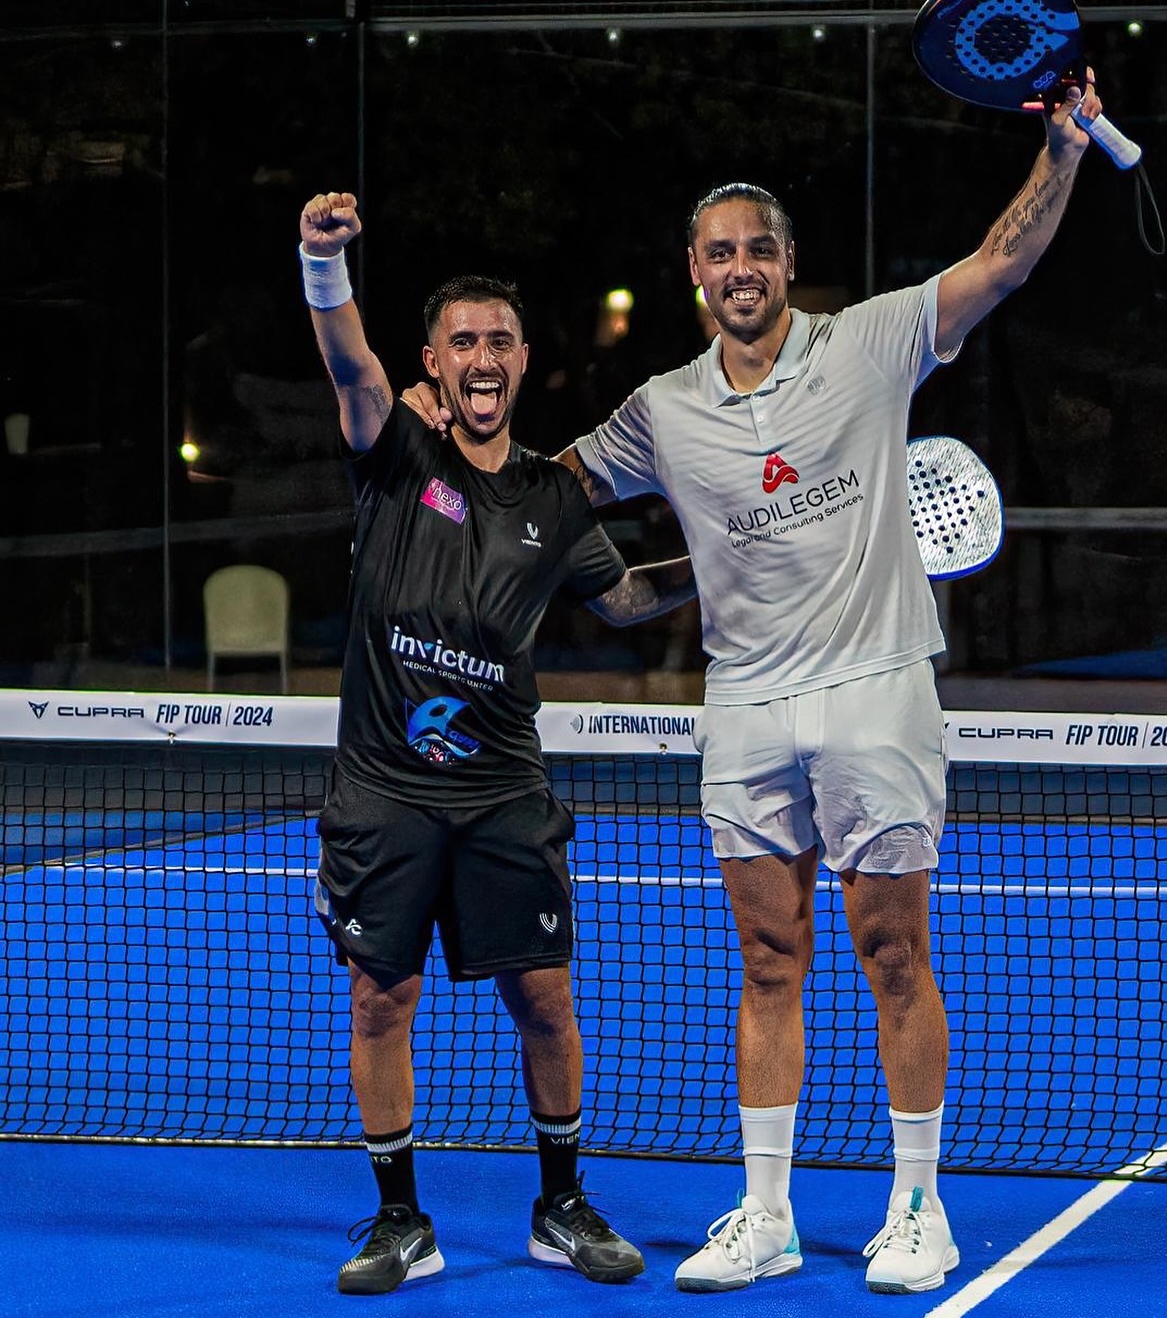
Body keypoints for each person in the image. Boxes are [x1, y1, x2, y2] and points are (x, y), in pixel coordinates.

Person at [403, 71, 1106, 1295]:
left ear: (789, 262)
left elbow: (1003, 262)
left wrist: (1062, 150)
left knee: (893, 949)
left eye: (759, 250)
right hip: (744, 702)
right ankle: (768, 1213)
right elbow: (540, 483)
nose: (740, 268)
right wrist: (434, 442)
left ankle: (918, 1208)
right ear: (694, 273)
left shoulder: (876, 341)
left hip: (878, 684)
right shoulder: (661, 410)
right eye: (718, 252)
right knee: (767, 957)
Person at [298, 190, 695, 1295]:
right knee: (381, 998)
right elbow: (346, 363)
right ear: (433, 359)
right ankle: (398, 1221)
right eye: (462, 340)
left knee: (546, 998)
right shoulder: (392, 449)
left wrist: (729, 556)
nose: (482, 356)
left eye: (500, 341)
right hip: (384, 791)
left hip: (506, 792)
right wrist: (320, 263)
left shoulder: (554, 497)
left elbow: (619, 601)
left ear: (524, 362)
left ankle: (560, 1204)